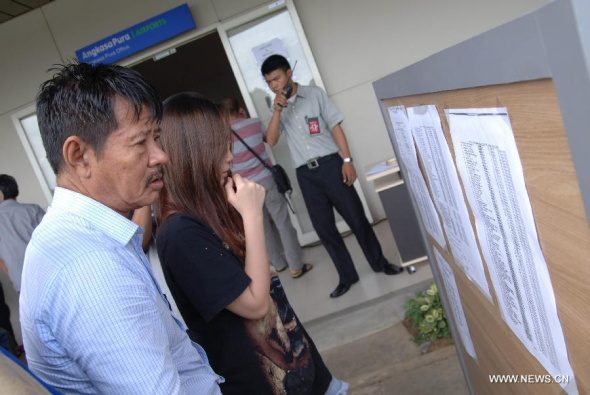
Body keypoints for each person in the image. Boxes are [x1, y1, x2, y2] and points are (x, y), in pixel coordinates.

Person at [19, 62, 222, 394]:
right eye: (141, 142)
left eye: (157, 138)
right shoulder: (91, 269)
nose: (160, 156)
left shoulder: (76, 237)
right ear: (79, 155)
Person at [155, 92, 347, 394]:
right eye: (220, 148)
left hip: (306, 374)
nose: (230, 157)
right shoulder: (180, 233)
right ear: (193, 155)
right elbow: (256, 303)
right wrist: (252, 215)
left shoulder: (211, 210)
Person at [261, 55, 404, 299]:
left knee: (356, 217)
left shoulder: (314, 95)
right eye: (269, 82)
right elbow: (271, 140)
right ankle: (347, 276)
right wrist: (276, 111)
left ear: (289, 73)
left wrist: (347, 160)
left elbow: (336, 127)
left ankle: (380, 263)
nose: (274, 85)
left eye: (277, 78)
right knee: (324, 229)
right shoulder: (278, 107)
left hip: (330, 165)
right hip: (305, 175)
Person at [218, 97, 312, 279]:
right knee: (282, 223)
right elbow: (268, 139)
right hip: (267, 181)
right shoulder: (253, 124)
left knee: (262, 227)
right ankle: (296, 266)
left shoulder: (222, 136)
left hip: (245, 188)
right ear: (240, 110)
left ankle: (278, 264)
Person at [0, 174, 45, 293]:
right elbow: (54, 240)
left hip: (22, 284)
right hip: (48, 276)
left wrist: (13, 279)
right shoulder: (33, 210)